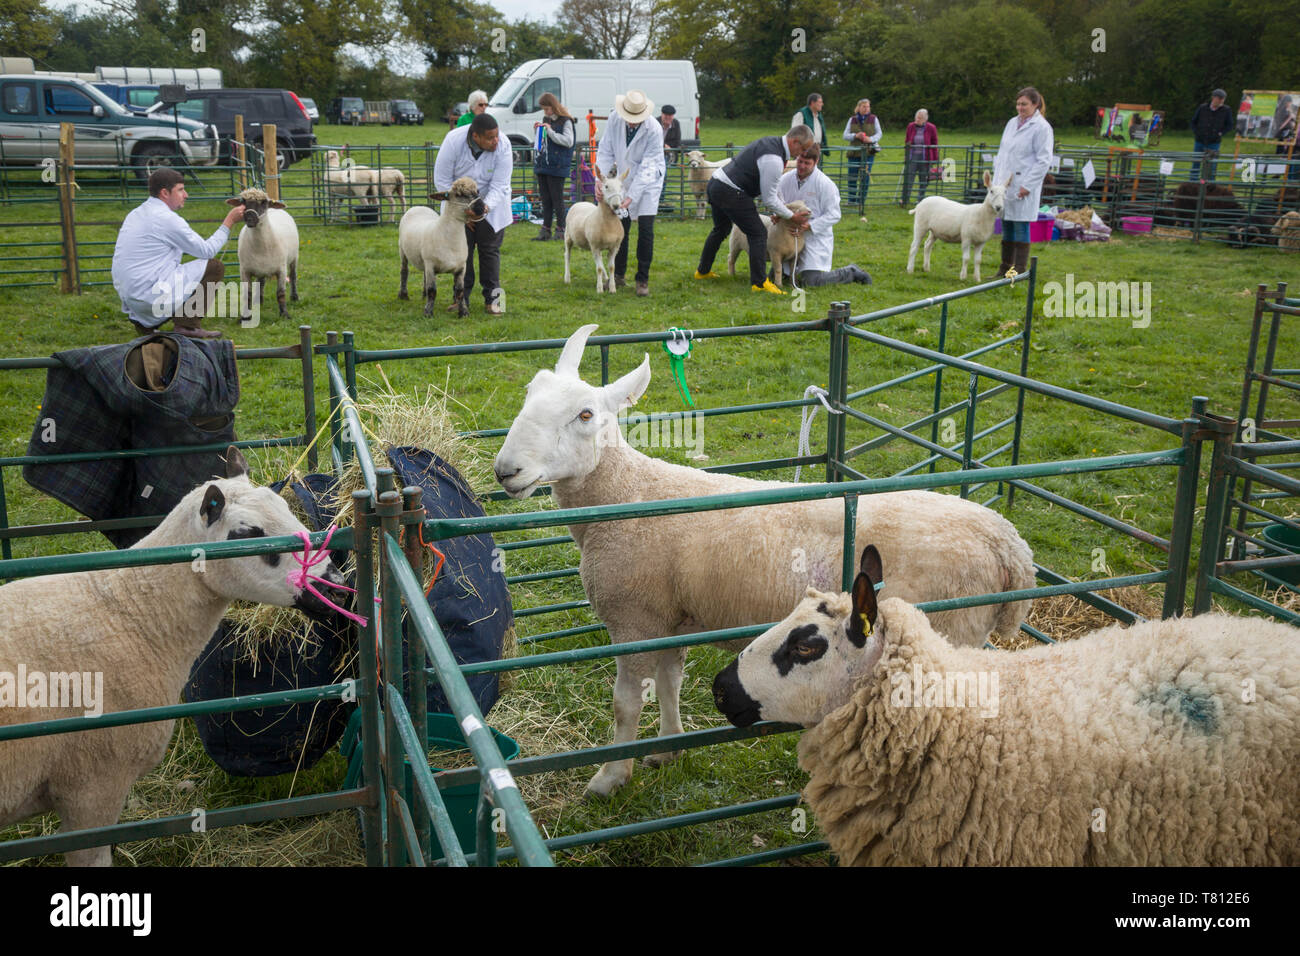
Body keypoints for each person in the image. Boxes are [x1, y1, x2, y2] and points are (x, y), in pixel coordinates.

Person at [111, 167, 245, 338]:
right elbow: (207, 251)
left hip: (132, 298)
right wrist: (229, 221)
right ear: (165, 193)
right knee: (214, 267)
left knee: (179, 269)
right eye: (180, 190)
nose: (186, 194)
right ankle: (187, 326)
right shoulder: (166, 219)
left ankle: (145, 324)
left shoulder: (137, 213)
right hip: (149, 294)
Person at [693, 125, 814, 294]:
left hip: (717, 183)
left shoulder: (772, 143)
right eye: (802, 148)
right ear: (794, 141)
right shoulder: (773, 158)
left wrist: (778, 213)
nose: (801, 154)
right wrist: (791, 216)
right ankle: (759, 283)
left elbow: (773, 187)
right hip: (731, 191)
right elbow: (769, 198)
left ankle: (702, 272)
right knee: (758, 233)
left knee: (720, 229)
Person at [433, 112, 513, 315]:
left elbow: (500, 185)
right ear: (475, 136)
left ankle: (495, 301)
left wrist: (483, 210)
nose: (496, 141)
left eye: (497, 135)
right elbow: (441, 180)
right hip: (460, 208)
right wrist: (463, 212)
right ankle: (460, 299)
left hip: (492, 206)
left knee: (490, 252)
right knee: (462, 254)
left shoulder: (503, 144)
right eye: (490, 138)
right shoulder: (453, 141)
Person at [595, 89, 665, 296]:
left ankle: (642, 280)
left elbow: (648, 168)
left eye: (636, 119)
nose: (632, 122)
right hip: (623, 179)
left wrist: (631, 196)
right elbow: (606, 150)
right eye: (629, 118)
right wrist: (601, 180)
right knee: (620, 227)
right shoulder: (614, 120)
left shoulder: (654, 129)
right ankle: (618, 274)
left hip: (650, 181)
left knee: (646, 229)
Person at [775, 145, 871, 287]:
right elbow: (777, 200)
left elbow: (834, 214)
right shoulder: (785, 179)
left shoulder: (825, 184)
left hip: (813, 238)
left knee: (811, 281)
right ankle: (788, 272)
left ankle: (850, 272)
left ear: (816, 161)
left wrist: (809, 226)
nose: (801, 166)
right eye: (800, 161)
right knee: (777, 277)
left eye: (807, 163)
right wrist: (776, 214)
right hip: (789, 237)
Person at [991, 86, 1052, 279]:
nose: (1020, 107)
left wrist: (1028, 185)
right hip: (1005, 184)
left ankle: (1018, 269)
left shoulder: (1042, 128)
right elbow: (1003, 154)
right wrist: (996, 183)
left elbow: (1044, 160)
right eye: (1018, 103)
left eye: (1024, 104)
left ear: (1035, 104)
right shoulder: (1011, 123)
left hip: (1023, 184)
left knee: (1020, 226)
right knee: (1006, 224)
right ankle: (1004, 267)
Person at [532, 91, 575, 242]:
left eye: (547, 108)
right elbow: (545, 142)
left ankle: (562, 230)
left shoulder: (566, 121)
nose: (545, 112)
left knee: (557, 200)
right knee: (545, 199)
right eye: (544, 109)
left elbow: (568, 141)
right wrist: (539, 131)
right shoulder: (547, 119)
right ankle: (546, 230)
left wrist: (549, 131)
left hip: (557, 166)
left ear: (553, 106)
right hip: (544, 164)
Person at [843, 98, 881, 206]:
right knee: (852, 177)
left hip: (868, 153)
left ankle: (861, 201)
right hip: (854, 153)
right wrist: (855, 136)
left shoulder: (874, 119)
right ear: (859, 107)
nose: (866, 109)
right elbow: (845, 135)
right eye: (864, 106)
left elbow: (879, 134)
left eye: (868, 106)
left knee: (865, 177)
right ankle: (851, 200)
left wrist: (871, 139)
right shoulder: (852, 119)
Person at [1190, 88, 1233, 181]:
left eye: (1223, 99)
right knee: (1196, 163)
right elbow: (1193, 122)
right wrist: (1197, 132)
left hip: (1214, 142)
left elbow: (1229, 125)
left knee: (1212, 166)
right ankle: (1192, 184)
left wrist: (1221, 133)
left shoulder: (1226, 110)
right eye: (1219, 98)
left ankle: (1210, 186)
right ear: (1213, 98)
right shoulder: (1202, 108)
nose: (1221, 101)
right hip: (1200, 141)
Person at [900, 108, 938, 207]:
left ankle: (920, 200)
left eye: (920, 118)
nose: (917, 120)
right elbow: (907, 140)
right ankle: (905, 199)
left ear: (925, 119)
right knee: (909, 177)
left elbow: (935, 143)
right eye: (917, 117)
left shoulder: (931, 128)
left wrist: (934, 158)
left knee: (923, 179)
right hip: (913, 156)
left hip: (926, 157)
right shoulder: (910, 126)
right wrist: (906, 154)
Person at [793, 93, 828, 161]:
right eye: (820, 102)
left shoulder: (819, 115)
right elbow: (795, 133)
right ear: (812, 103)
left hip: (817, 150)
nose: (822, 104)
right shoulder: (801, 114)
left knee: (817, 171)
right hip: (804, 151)